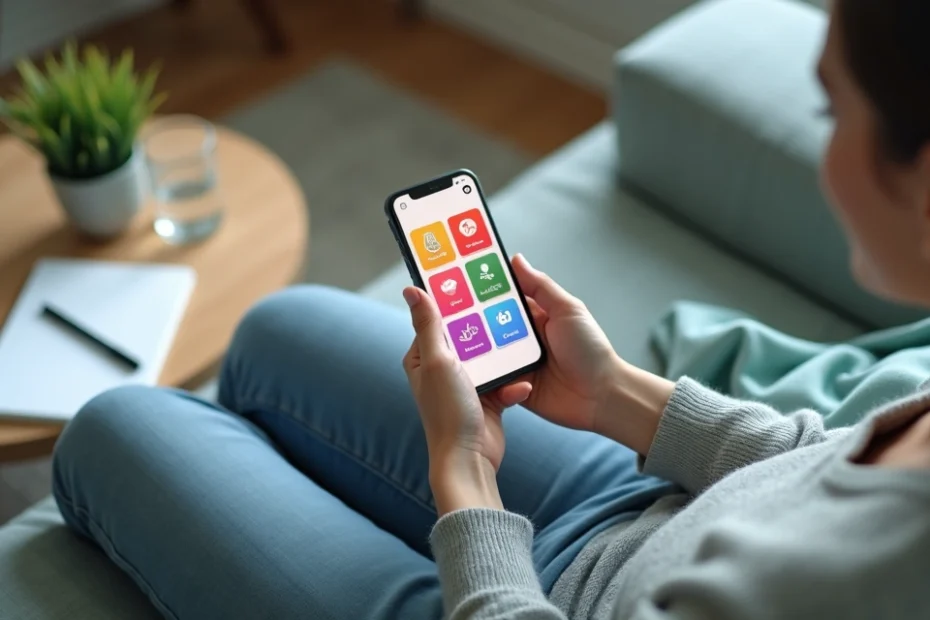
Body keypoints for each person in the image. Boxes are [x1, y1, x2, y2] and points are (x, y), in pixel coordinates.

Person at [53, 0, 930, 618]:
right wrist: (615, 394)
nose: (818, 146)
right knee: (277, 326)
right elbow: (818, 464)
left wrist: (464, 477)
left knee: (109, 423)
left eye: (832, 106)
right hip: (648, 511)